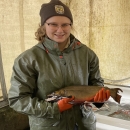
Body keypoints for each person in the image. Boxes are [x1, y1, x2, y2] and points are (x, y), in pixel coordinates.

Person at [8, 0, 110, 130]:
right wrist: (54, 108)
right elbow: (18, 99)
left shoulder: (87, 54)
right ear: (43, 26)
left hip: (83, 124)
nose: (60, 30)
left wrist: (100, 98)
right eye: (53, 24)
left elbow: (96, 83)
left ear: (71, 25)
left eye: (65, 24)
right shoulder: (27, 59)